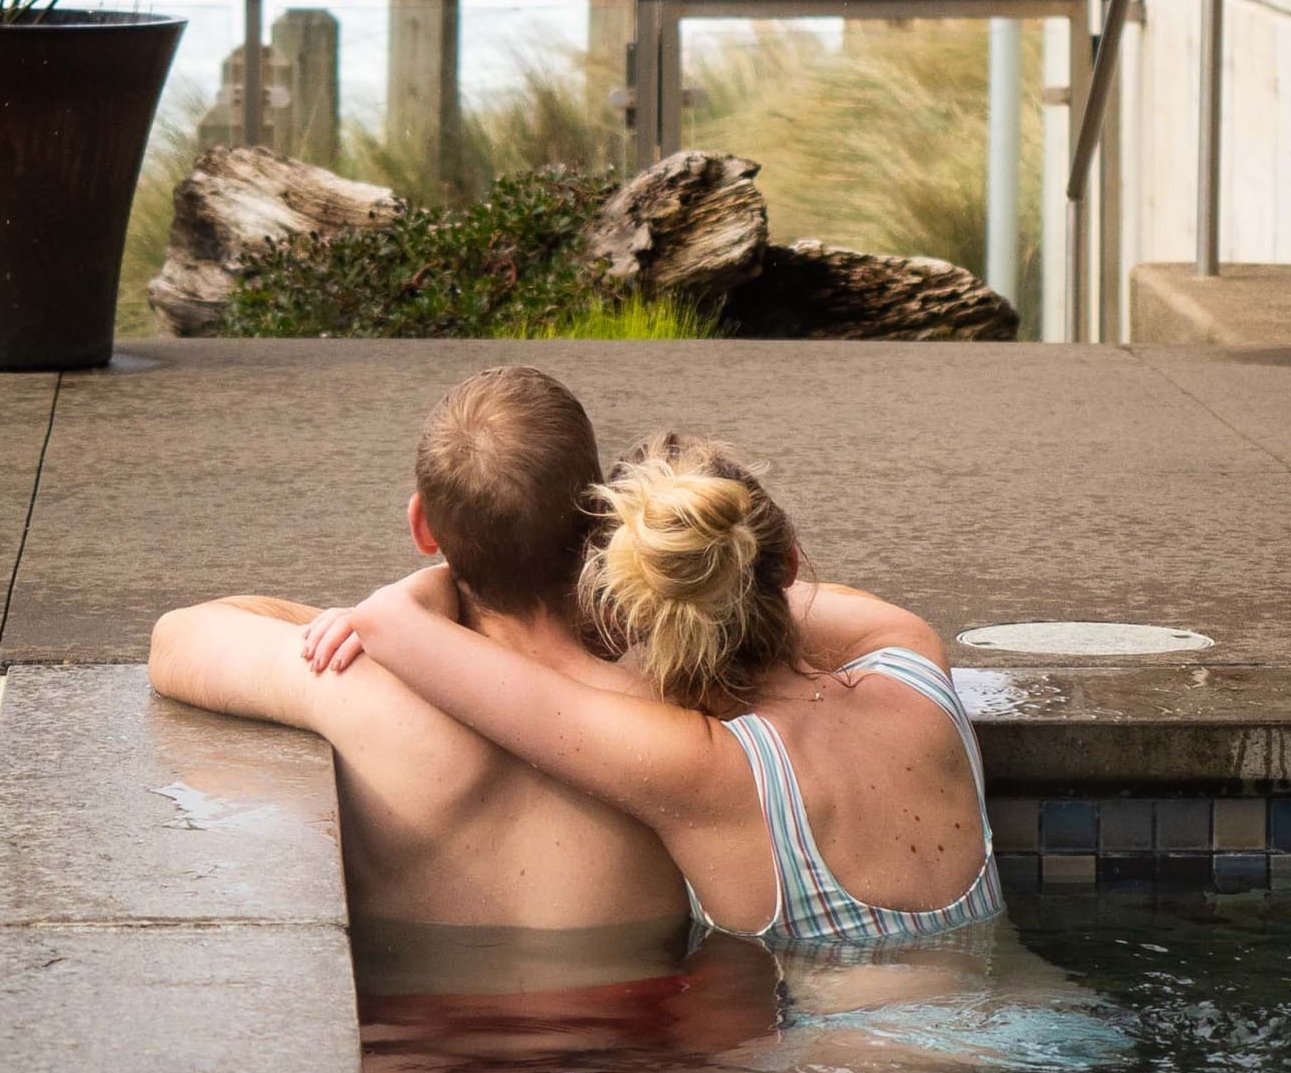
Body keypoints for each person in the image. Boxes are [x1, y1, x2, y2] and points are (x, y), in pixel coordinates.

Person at [302, 431, 1003, 949]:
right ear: (786, 562)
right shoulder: (911, 653)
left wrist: (440, 578)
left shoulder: (703, 769)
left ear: (632, 610)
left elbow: (393, 626)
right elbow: (774, 594)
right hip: (1021, 1038)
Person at [148, 365, 691, 932]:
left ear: (422, 526)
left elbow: (177, 638)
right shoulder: (678, 704)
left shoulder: (360, 689)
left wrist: (390, 617)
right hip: (645, 1012)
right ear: (601, 519)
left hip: (419, 1016)